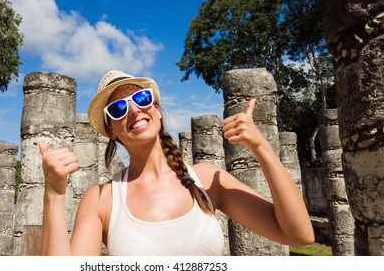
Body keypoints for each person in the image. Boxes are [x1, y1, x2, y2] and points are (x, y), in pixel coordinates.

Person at [38, 70, 314, 256]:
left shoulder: (206, 178)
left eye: (141, 98)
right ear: (112, 130)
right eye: (118, 108)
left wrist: (262, 147)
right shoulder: (101, 199)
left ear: (156, 110)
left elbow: (299, 234)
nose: (133, 109)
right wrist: (53, 194)